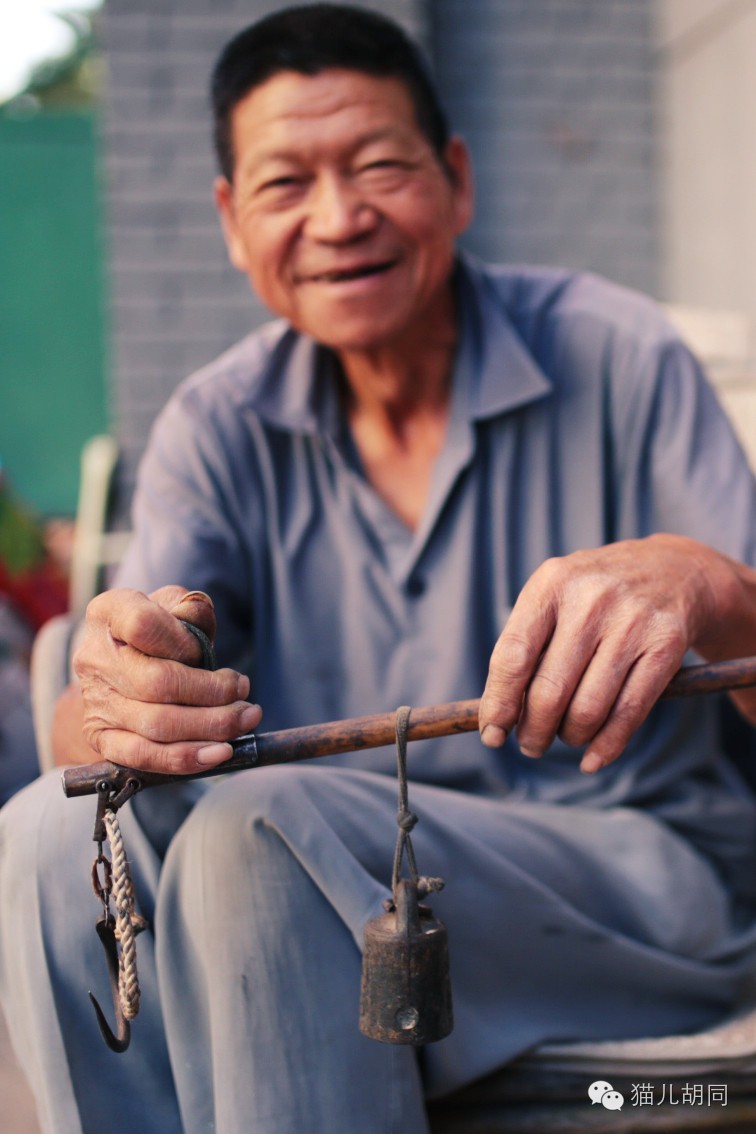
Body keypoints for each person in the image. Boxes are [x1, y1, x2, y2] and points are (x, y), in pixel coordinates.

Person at [2, 5, 756, 1132]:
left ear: (454, 178)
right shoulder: (216, 422)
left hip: (644, 890)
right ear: (229, 219)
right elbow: (100, 718)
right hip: (310, 883)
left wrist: (709, 585)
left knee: (257, 838)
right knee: (47, 832)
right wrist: (112, 700)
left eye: (379, 166)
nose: (339, 217)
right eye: (285, 183)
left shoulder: (620, 354)